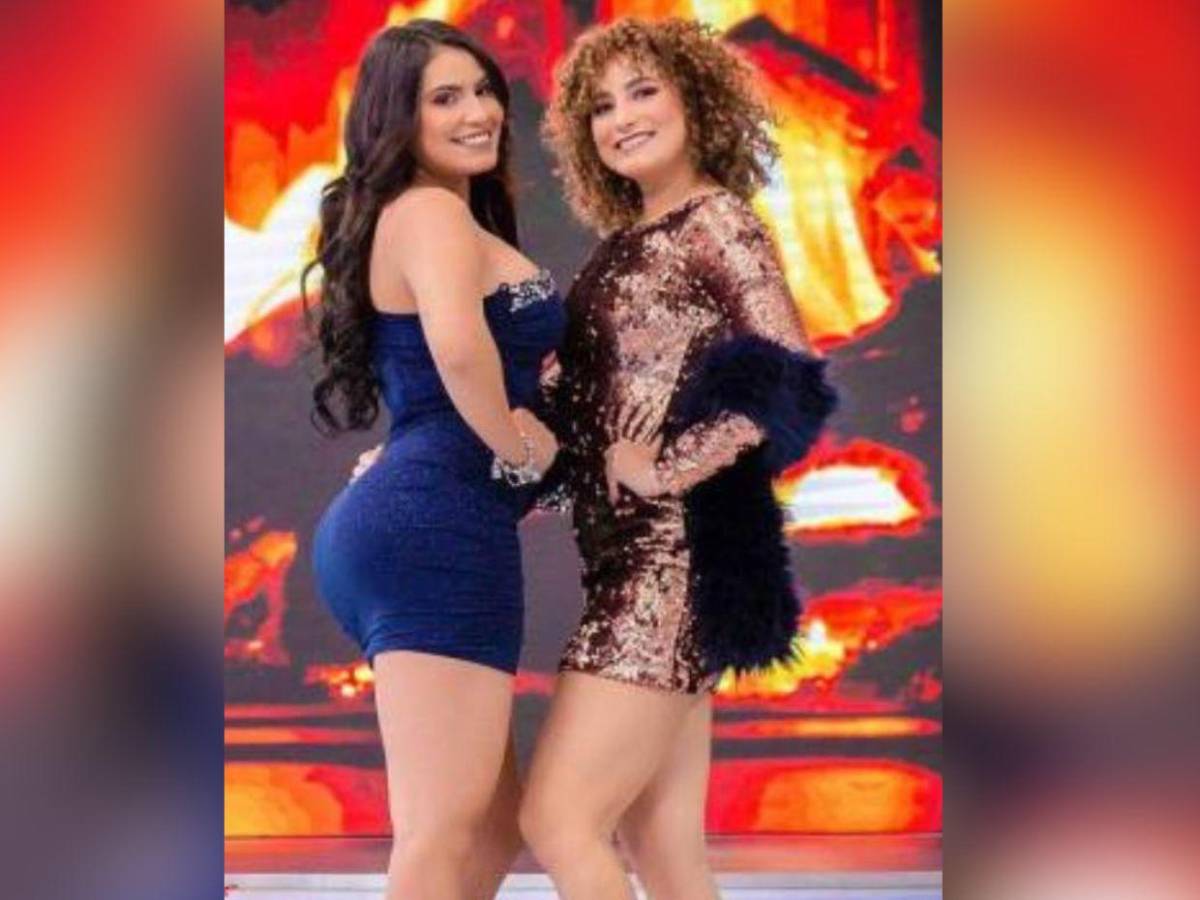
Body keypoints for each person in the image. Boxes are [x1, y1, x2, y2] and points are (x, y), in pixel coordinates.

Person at [518, 18, 837, 899]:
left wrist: (668, 467)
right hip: (625, 560)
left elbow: (789, 375)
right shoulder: (625, 242)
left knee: (558, 820)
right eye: (600, 106)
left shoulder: (717, 222)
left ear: (695, 98)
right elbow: (590, 402)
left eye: (643, 91)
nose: (621, 117)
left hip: (671, 562)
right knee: (664, 851)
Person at [304, 20, 564, 900]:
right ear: (396, 120)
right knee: (440, 831)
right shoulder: (429, 211)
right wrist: (522, 452)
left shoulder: (432, 214)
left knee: (491, 829)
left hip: (415, 518)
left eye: (484, 90)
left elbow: (430, 369)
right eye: (444, 98)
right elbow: (456, 350)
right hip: (435, 534)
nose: (479, 112)